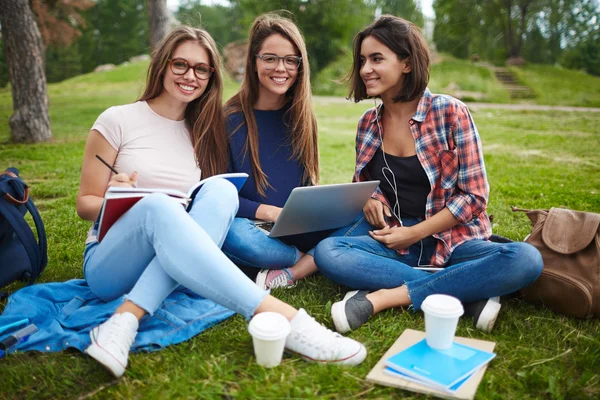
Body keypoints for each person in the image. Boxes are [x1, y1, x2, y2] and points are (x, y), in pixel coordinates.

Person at [76, 26, 366, 378]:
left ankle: (124, 319)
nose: (190, 76)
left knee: (221, 191)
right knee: (158, 206)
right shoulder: (117, 119)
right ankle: (287, 320)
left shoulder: (200, 129)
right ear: (161, 65)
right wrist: (118, 196)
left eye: (201, 69)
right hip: (112, 260)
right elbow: (85, 204)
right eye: (180, 64)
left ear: (211, 76)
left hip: (176, 260)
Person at [314, 15, 544, 334]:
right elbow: (366, 183)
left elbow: (475, 197)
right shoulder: (368, 123)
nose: (365, 68)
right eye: (363, 60)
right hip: (397, 239)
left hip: (455, 241)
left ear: (406, 63)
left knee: (526, 259)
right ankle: (466, 291)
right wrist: (372, 199)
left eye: (377, 58)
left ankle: (386, 296)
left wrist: (416, 232)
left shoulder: (451, 113)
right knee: (328, 252)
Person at [222, 14, 321, 290]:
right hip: (253, 229)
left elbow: (304, 184)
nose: (282, 68)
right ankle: (311, 261)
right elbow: (218, 197)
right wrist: (271, 213)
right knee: (234, 237)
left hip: (296, 227)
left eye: (291, 60)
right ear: (254, 62)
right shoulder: (228, 119)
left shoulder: (301, 117)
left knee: (359, 220)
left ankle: (294, 268)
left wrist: (319, 206)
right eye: (270, 58)